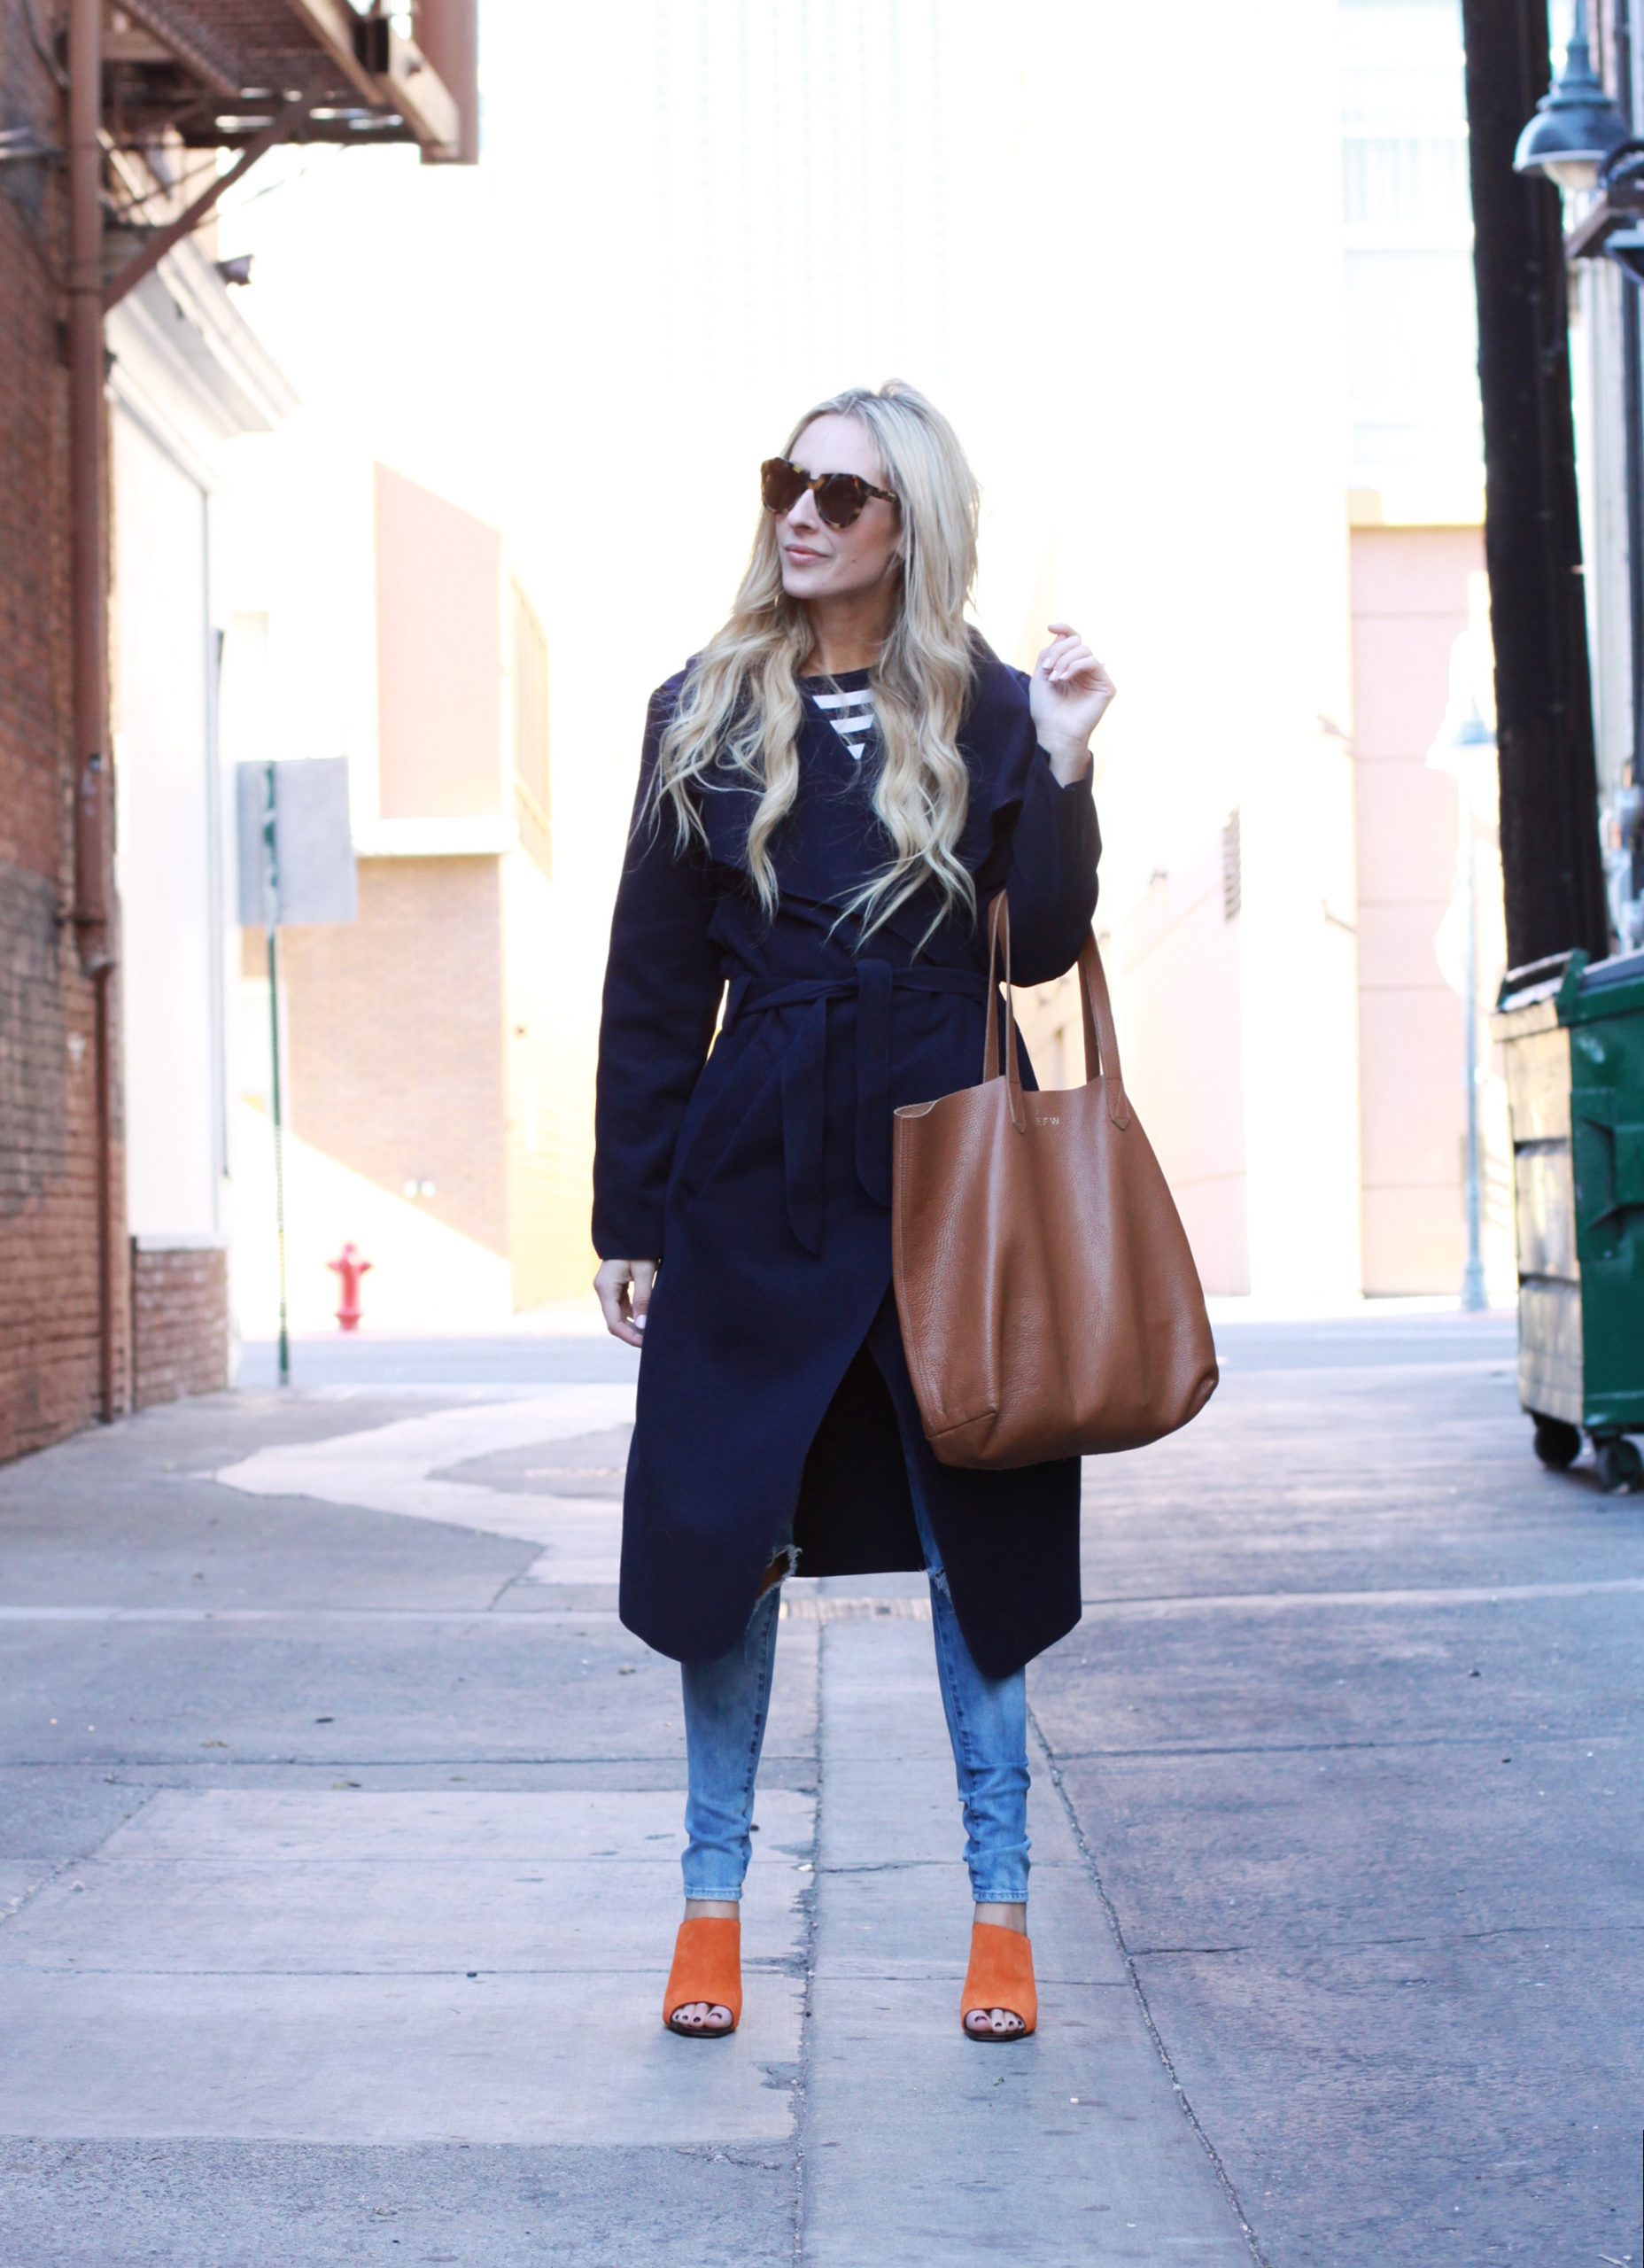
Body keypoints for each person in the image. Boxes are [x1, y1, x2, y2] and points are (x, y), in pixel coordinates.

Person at [592, 380, 1113, 2044]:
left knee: (984, 1541)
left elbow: (1041, 946)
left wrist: (1069, 764)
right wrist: (629, 1216)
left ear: (912, 528)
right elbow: (652, 984)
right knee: (722, 1543)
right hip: (754, 1172)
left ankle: (1001, 1916)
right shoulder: (700, 708)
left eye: (843, 495)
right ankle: (709, 1909)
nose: (802, 515)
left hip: (952, 1177)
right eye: (789, 483)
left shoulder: (993, 706)